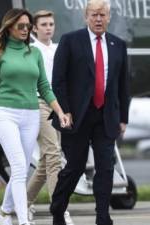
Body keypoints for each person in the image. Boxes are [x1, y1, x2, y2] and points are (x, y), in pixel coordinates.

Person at [0, 9, 70, 225]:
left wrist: (59, 111)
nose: (25, 30)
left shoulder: (34, 53)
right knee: (19, 166)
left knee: (21, 170)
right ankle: (23, 221)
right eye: (21, 26)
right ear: (9, 26)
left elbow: (44, 87)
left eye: (28, 26)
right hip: (5, 114)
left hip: (31, 115)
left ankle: (3, 213)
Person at [49, 0, 130, 225]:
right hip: (77, 116)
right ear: (86, 17)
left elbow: (124, 86)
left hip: (106, 117)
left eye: (102, 15)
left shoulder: (118, 45)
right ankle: (57, 210)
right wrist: (64, 111)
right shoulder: (70, 41)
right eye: (94, 15)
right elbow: (58, 81)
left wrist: (123, 117)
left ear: (109, 17)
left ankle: (103, 217)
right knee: (74, 167)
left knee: (106, 168)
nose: (98, 19)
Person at [26, 10, 74, 225]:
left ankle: (24, 202)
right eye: (43, 24)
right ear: (35, 28)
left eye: (51, 24)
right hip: (38, 103)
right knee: (54, 155)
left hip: (58, 105)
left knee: (47, 162)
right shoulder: (30, 49)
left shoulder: (59, 49)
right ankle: (59, 209)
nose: (48, 28)